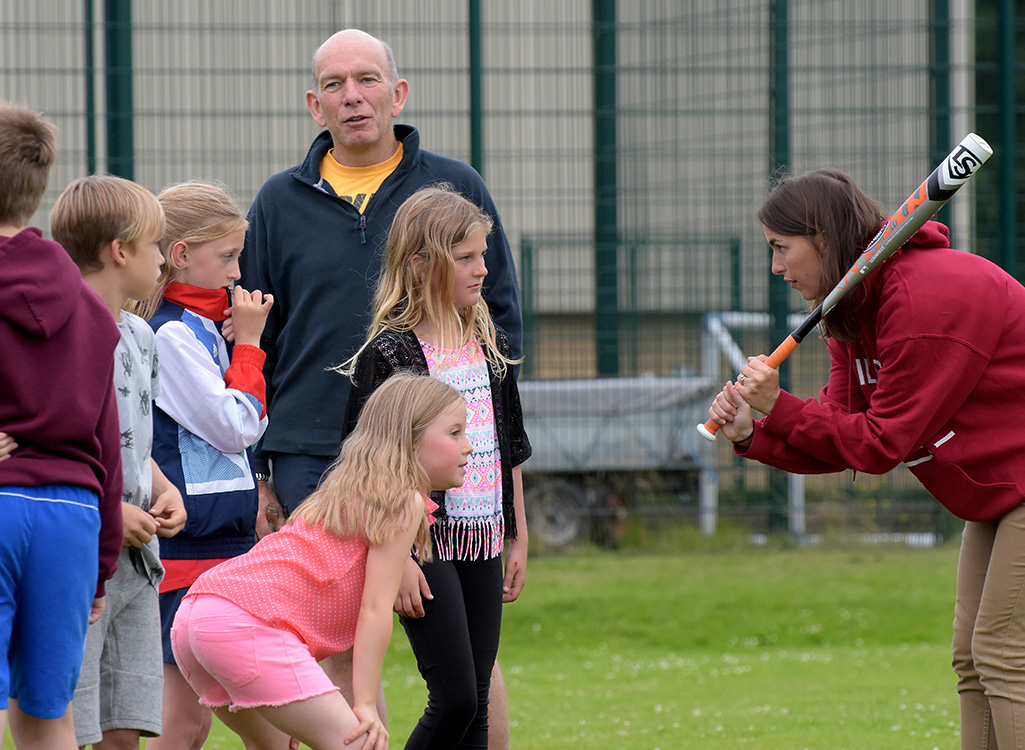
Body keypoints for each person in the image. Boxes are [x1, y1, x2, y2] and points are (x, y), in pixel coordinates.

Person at [238, 28, 524, 744]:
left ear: (398, 94)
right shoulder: (277, 202)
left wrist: (507, 498)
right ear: (314, 104)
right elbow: (251, 338)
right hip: (312, 456)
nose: (352, 96)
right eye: (334, 85)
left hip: (442, 465)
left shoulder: (453, 186)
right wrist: (257, 471)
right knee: (335, 648)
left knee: (469, 669)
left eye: (366, 80)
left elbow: (503, 331)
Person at [706, 168, 1025, 750]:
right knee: (973, 659)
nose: (776, 268)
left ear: (823, 240)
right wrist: (756, 431)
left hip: (1015, 482)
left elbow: (882, 445)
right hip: (1000, 490)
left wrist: (779, 404)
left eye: (782, 248)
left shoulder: (922, 296)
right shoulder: (854, 309)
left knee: (1004, 653)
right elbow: (841, 435)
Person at [171, 373, 470, 750]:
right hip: (244, 625)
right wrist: (364, 704)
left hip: (197, 617)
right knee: (362, 745)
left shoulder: (346, 491)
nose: (469, 446)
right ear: (410, 440)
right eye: (455, 433)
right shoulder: (402, 501)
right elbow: (375, 609)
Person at [344, 184, 531, 749]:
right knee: (454, 700)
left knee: (476, 704)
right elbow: (368, 466)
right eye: (467, 257)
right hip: (422, 545)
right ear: (422, 262)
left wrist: (517, 534)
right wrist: (396, 557)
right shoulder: (391, 353)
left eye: (483, 254)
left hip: (484, 539)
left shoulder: (488, 339)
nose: (483, 269)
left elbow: (509, 445)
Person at [0, 103, 124, 749]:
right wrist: (102, 566)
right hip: (71, 520)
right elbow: (108, 447)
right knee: (49, 714)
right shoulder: (88, 306)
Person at [51, 174, 189, 750]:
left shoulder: (140, 334)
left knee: (126, 722)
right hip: (82, 558)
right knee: (68, 721)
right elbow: (58, 446)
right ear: (121, 250)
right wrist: (111, 512)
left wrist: (162, 487)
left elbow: (132, 437)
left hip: (139, 562)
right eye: (157, 245)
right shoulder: (55, 335)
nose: (163, 259)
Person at [136, 182, 274, 750]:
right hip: (190, 548)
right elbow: (236, 424)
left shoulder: (201, 327)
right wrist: (248, 347)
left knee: (268, 715)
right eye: (228, 256)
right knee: (186, 724)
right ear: (181, 254)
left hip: (228, 541)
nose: (238, 272)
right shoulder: (170, 332)